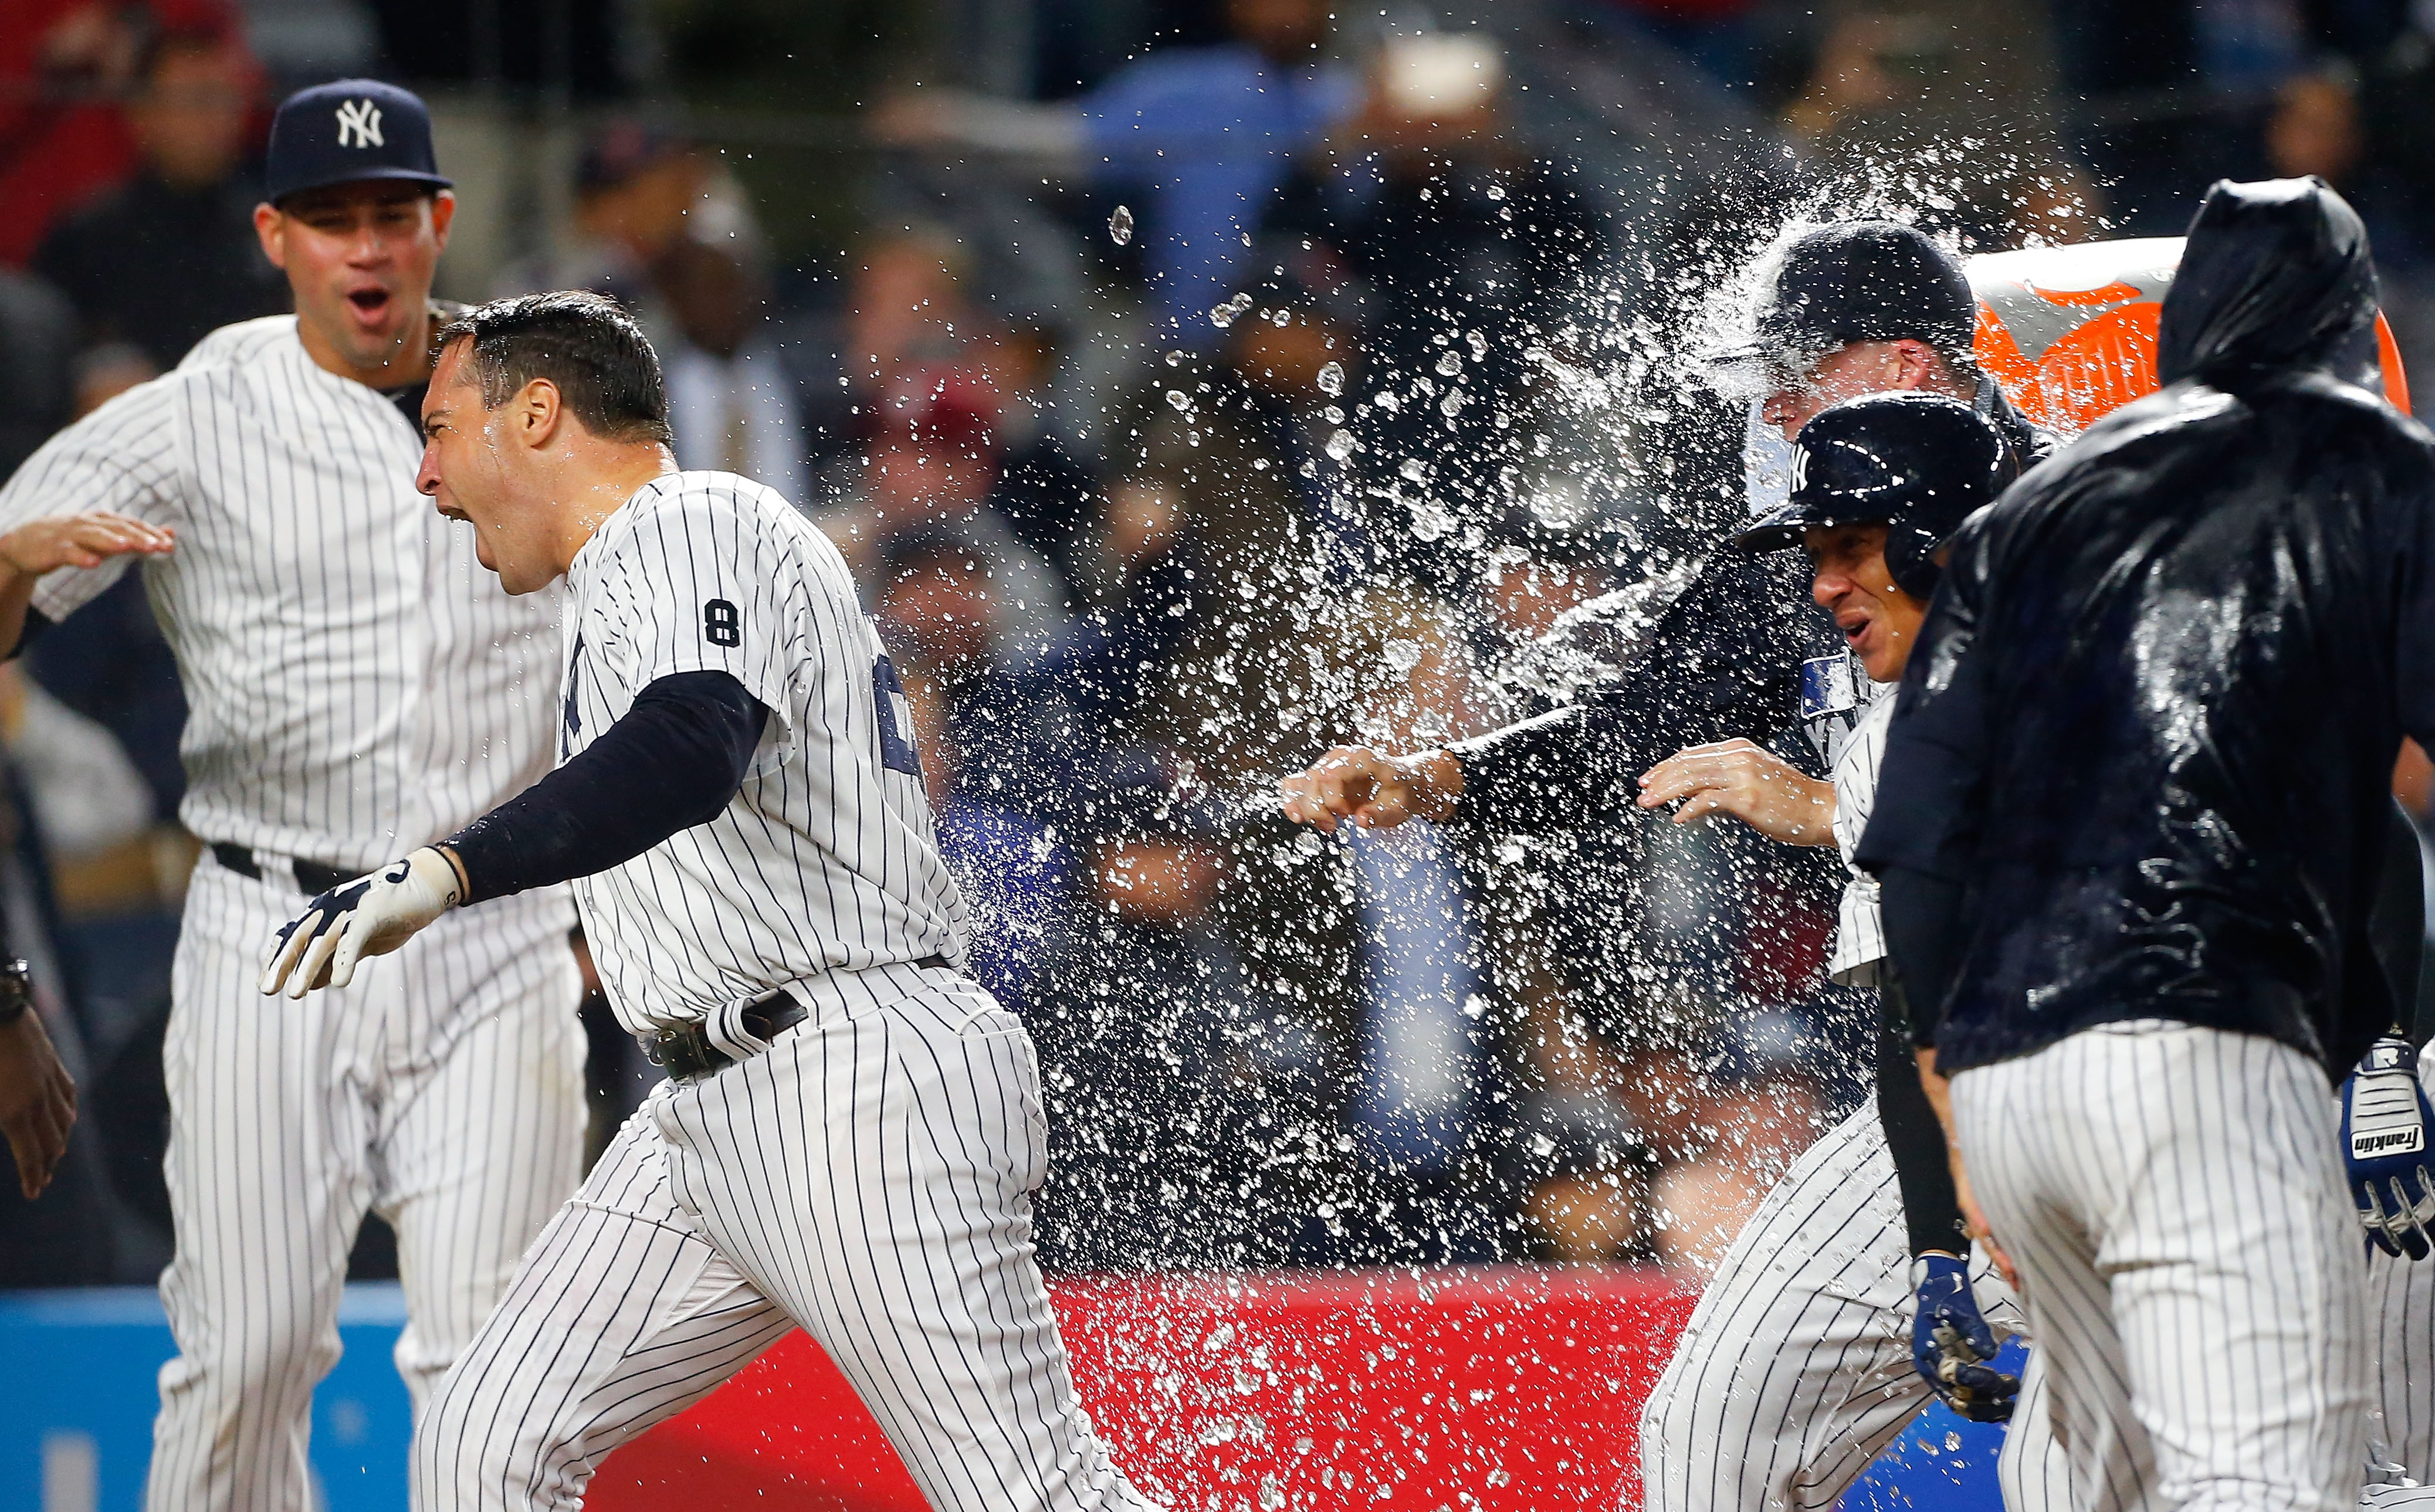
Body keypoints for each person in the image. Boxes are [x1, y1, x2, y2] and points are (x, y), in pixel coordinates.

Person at [259, 289, 1163, 1512]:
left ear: (537, 413)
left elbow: (692, 745)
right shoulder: (620, 582)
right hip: (704, 1107)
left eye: (438, 425)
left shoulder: (693, 518)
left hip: (851, 1075)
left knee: (1035, 1496)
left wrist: (446, 869)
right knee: (483, 1440)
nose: (425, 474)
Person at [1276, 218, 2057, 1503]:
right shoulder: (1813, 547)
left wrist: (1822, 804)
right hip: (1937, 1059)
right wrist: (1440, 776)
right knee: (1712, 1445)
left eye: (1798, 379)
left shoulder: (2083, 523)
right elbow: (1639, 728)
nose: (1770, 410)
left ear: (1909, 363)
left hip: (2128, 1042)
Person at [0, 80, 585, 1510]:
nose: (367, 245)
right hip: (274, 925)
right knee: (246, 1358)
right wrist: (15, 571)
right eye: (333, 219)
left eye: (393, 213)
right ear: (277, 235)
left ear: (442, 222)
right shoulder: (202, 406)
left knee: (496, 1373)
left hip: (493, 932)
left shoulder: (544, 395)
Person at [1862, 176, 2435, 1512]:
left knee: (2086, 1482)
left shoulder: (2025, 513)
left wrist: (1955, 1116)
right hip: (2211, 1054)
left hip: (2018, 1089)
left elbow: (1916, 845)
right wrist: (2399, 1045)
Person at [1623, 390, 2066, 1509]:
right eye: (1817, 554)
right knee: (1709, 1444)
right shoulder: (1893, 734)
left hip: (2210, 1110)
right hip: (1980, 1108)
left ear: (1939, 542)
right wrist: (1934, 1244)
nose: (1822, 587)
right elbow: (1916, 995)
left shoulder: (2137, 644)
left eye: (1852, 549)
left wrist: (2388, 1065)